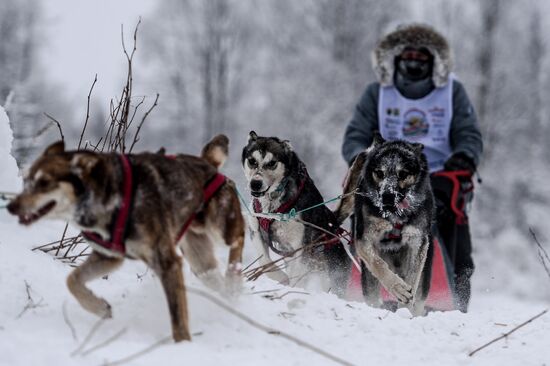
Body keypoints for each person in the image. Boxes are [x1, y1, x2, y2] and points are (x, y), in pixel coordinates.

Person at [341, 24, 483, 312]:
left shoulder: (452, 92)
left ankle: (448, 300)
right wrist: (362, 157)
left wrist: (465, 156)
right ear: (395, 57)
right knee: (364, 216)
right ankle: (364, 292)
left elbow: (468, 132)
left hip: (441, 173)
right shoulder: (377, 93)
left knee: (446, 217)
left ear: (434, 61)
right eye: (409, 54)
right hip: (384, 171)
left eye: (422, 55)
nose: (414, 60)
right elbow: (355, 135)